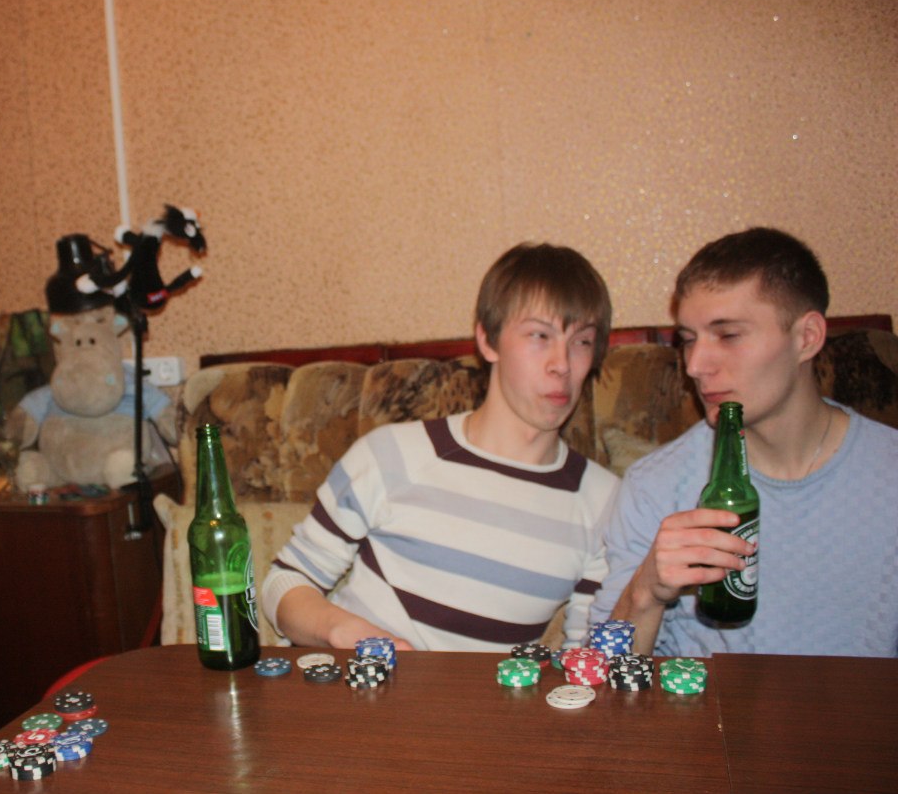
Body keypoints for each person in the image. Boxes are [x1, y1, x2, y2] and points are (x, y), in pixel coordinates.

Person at [261, 242, 620, 651]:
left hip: (484, 695)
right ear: (488, 340)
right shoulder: (391, 454)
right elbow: (285, 582)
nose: (562, 364)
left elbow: (586, 658)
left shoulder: (604, 502)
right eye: (540, 335)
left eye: (582, 341)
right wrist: (340, 631)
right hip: (350, 686)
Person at [591, 227, 898, 657]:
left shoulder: (888, 473)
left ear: (807, 337)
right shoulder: (655, 485)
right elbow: (600, 673)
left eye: (729, 335)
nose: (695, 365)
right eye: (688, 340)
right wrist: (646, 591)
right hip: (709, 703)